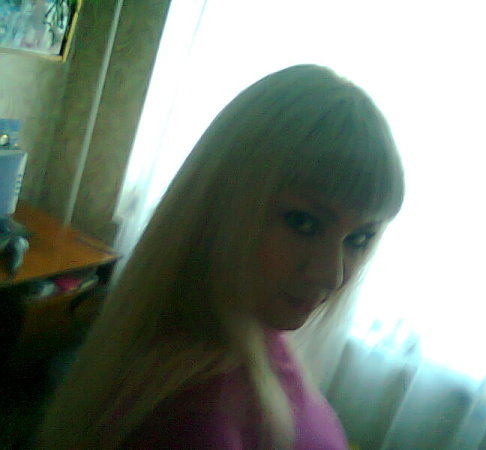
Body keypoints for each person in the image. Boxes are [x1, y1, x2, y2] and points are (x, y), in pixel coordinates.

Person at [35, 64, 404, 449]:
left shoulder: (253, 328)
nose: (332, 274)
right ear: (223, 207)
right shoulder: (198, 418)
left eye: (359, 238)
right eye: (303, 222)